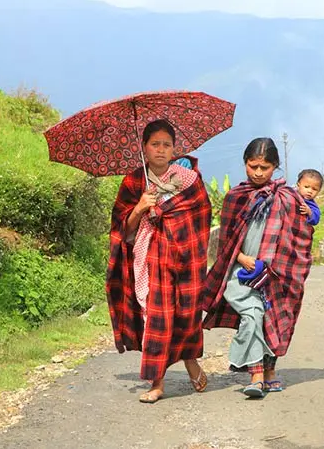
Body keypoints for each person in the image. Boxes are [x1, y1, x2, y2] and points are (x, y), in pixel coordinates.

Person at [106, 119, 212, 404]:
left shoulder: (188, 179)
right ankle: (157, 382)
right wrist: (140, 207)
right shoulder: (134, 181)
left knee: (186, 313)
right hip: (149, 257)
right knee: (156, 314)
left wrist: (168, 212)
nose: (161, 150)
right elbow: (123, 230)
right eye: (155, 144)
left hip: (184, 258)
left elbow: (201, 215)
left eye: (167, 145)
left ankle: (191, 362)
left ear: (174, 148)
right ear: (144, 147)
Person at [202, 137, 313, 398]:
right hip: (240, 273)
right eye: (253, 166)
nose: (258, 173)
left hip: (276, 274)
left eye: (264, 167)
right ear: (245, 164)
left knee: (272, 319)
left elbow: (302, 234)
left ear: (275, 166)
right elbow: (226, 240)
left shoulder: (288, 198)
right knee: (252, 314)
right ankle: (257, 375)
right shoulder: (236, 197)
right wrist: (240, 257)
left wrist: (279, 263)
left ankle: (269, 370)